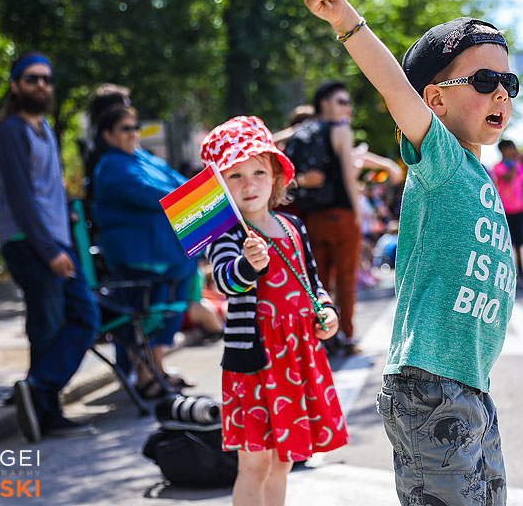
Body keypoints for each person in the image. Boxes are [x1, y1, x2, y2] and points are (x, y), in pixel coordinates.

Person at [295, 0, 516, 505]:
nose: (501, 94)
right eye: (484, 81)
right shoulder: (439, 159)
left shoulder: (475, 172)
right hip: (432, 385)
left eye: (509, 83)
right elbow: (393, 83)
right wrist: (345, 20)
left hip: (469, 385)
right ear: (435, 101)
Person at [200, 116, 348, 506]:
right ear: (220, 186)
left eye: (258, 171)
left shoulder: (293, 226)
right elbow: (225, 281)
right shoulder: (227, 233)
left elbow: (312, 280)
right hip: (255, 362)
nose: (249, 184)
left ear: (276, 176)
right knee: (254, 463)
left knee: (284, 460)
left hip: (297, 357)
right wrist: (249, 264)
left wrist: (326, 310)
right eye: (235, 175)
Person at [0, 52, 100, 442]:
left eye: (47, 80)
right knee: (48, 324)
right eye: (32, 79)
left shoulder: (45, 131)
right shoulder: (10, 131)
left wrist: (64, 227)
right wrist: (49, 248)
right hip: (29, 244)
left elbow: (45, 192)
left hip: (55, 241)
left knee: (82, 318)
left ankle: (38, 392)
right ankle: (45, 406)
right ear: (16, 85)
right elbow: (21, 198)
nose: (42, 85)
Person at [91, 94, 199, 397]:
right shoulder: (110, 165)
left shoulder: (145, 157)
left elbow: (180, 182)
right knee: (152, 308)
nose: (133, 133)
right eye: (125, 128)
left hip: (167, 256)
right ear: (108, 134)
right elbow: (148, 192)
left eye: (135, 127)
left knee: (173, 306)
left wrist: (195, 190)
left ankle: (158, 368)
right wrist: (186, 193)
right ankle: (145, 374)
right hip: (138, 258)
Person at [282, 81, 362, 355]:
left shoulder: (301, 132)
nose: (347, 108)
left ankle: (321, 337)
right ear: (325, 103)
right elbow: (349, 179)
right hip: (341, 215)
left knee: (320, 280)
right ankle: (347, 336)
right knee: (347, 279)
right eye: (342, 101)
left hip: (312, 219)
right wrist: (358, 213)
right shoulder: (340, 130)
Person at [492, 139, 523, 279]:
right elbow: (507, 178)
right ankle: (510, 271)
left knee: (520, 241)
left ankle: (521, 268)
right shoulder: (499, 166)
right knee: (509, 242)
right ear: (503, 150)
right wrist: (515, 165)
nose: (513, 150)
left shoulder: (519, 165)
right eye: (510, 148)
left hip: (520, 208)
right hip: (506, 210)